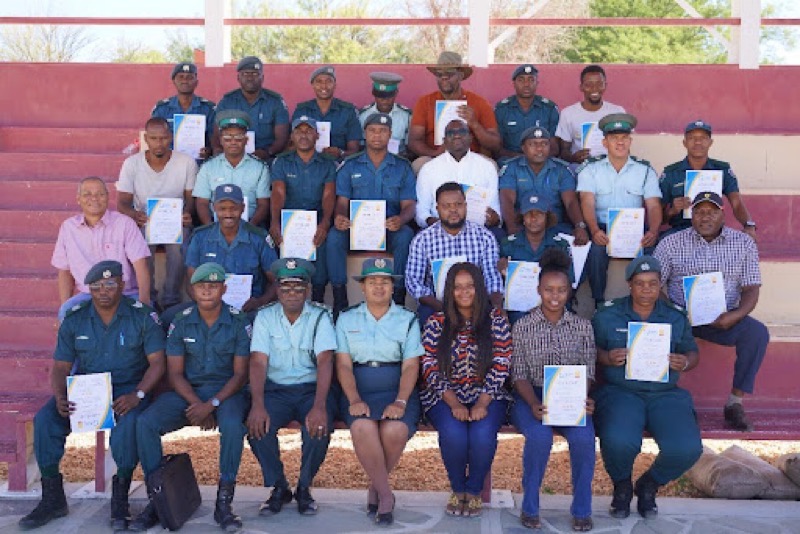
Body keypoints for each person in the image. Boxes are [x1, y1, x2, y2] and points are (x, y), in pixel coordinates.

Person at [18, 261, 165, 531]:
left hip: (127, 389)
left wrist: (138, 394)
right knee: (46, 420)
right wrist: (61, 395)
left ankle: (119, 498)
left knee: (128, 426)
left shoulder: (141, 316)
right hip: (88, 390)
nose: (103, 291)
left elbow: (157, 362)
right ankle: (52, 498)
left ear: (122, 284)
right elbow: (61, 366)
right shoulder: (75, 317)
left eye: (110, 284)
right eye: (96, 286)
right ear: (89, 290)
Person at [133, 263, 250, 532]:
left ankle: (224, 502)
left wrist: (212, 404)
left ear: (224, 289)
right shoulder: (181, 320)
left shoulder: (238, 321)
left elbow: (240, 375)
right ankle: (157, 497)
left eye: (213, 285)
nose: (207, 290)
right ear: (192, 290)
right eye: (201, 286)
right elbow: (174, 373)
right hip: (188, 392)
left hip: (226, 393)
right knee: (146, 422)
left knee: (233, 426)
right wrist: (198, 404)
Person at [592, 256, 703, 519]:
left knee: (686, 448)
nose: (646, 289)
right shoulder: (608, 314)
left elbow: (692, 352)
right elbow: (588, 348)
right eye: (640, 283)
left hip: (664, 394)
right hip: (621, 392)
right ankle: (622, 487)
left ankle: (648, 485)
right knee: (619, 441)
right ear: (630, 284)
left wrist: (685, 362)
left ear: (659, 285)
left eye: (652, 284)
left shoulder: (675, 317)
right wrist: (607, 357)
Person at [654, 191, 767, 431]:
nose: (705, 217)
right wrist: (674, 312)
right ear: (691, 215)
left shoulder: (743, 243)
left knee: (756, 333)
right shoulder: (671, 242)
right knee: (654, 331)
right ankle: (663, 405)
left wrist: (734, 316)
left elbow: (751, 289)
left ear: (722, 215)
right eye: (699, 211)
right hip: (680, 317)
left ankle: (734, 403)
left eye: (712, 211)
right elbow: (653, 284)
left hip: (724, 319)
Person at [509, 248, 596, 531]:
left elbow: (589, 370)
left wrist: (583, 398)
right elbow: (518, 373)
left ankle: (582, 509)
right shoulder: (522, 326)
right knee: (539, 438)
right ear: (539, 290)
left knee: (584, 440)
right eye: (548, 290)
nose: (555, 296)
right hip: (532, 396)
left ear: (570, 291)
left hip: (571, 397)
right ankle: (530, 506)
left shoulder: (582, 327)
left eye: (561, 290)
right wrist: (534, 403)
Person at [420, 262, 512, 518]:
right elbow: (429, 365)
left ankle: (473, 491)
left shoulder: (495, 320)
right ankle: (458, 489)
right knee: (453, 433)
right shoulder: (436, 322)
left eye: (469, 286)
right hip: (444, 395)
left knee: (483, 434)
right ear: (449, 290)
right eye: (457, 287)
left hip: (488, 394)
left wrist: (482, 403)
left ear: (479, 288)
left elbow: (503, 361)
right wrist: (454, 403)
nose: (464, 292)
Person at [335, 258, 422, 526]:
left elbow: (410, 367)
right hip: (359, 387)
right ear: (362, 287)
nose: (379, 287)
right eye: (372, 281)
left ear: (392, 287)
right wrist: (354, 399)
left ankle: (376, 487)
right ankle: (385, 495)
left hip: (396, 387)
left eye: (385, 281)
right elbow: (344, 365)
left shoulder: (407, 320)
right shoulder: (346, 318)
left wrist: (400, 400)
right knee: (362, 427)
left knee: (394, 429)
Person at [247, 258, 337, 516]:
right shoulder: (265, 317)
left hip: (312, 390)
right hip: (276, 390)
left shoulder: (321, 315)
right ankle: (279, 487)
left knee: (318, 429)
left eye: (298, 288)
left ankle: (304, 488)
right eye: (286, 288)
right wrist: (258, 405)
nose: (292, 294)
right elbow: (258, 362)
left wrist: (320, 406)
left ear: (308, 290)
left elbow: (325, 361)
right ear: (277, 290)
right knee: (257, 429)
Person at [327, 113, 417, 315]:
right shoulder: (350, 165)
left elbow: (409, 205)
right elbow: (342, 202)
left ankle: (399, 299)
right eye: (373, 131)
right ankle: (340, 299)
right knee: (334, 237)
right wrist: (340, 217)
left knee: (405, 236)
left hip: (388, 228)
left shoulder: (402, 167)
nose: (377, 135)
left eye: (383, 131)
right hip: (356, 228)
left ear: (390, 135)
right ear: (365, 134)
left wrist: (400, 219)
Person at [576, 113, 662, 305]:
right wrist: (594, 230)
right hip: (601, 227)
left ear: (630, 141)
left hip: (634, 228)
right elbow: (587, 201)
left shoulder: (644, 170)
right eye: (614, 138)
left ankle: (649, 303)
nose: (620, 143)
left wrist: (653, 231)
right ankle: (599, 302)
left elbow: (654, 205)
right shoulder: (591, 169)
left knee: (652, 250)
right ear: (605, 142)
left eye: (624, 138)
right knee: (597, 251)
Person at [117, 117, 197, 310]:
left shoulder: (186, 162)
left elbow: (191, 199)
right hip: (145, 220)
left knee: (179, 244)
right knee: (142, 243)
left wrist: (187, 213)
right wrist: (135, 215)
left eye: (163, 138)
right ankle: (149, 299)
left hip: (174, 221)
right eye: (153, 138)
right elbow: (122, 203)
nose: (158, 143)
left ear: (170, 137)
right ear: (146, 138)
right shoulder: (132, 164)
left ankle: (171, 300)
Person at [52, 176, 151, 321]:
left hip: (124, 294)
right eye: (87, 194)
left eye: (100, 194)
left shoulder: (124, 224)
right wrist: (65, 306)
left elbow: (141, 266)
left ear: (108, 197)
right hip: (87, 296)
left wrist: (144, 304)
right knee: (66, 314)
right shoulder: (68, 228)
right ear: (78, 199)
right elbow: (64, 272)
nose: (94, 198)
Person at [406, 182, 504, 326]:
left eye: (458, 204)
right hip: (437, 304)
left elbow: (492, 277)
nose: (453, 210)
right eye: (446, 206)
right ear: (437, 209)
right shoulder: (423, 239)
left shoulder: (484, 236)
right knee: (426, 315)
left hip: (476, 302)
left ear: (465, 206)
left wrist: (497, 307)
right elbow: (413, 281)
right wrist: (441, 306)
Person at [181, 184, 278, 320]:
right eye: (222, 209)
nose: (228, 214)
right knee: (170, 317)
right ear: (214, 208)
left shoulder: (258, 238)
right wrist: (205, 304)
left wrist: (260, 302)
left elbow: (276, 280)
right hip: (208, 308)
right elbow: (191, 281)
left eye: (234, 208)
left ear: (243, 208)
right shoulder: (200, 237)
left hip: (248, 310)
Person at [269, 116, 336, 304]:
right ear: (292, 136)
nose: (304, 135)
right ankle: (282, 304)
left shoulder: (327, 163)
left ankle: (318, 303)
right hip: (289, 223)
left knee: (321, 261)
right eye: (299, 131)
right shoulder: (281, 162)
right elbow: (278, 193)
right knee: (285, 264)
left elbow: (328, 195)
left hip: (317, 221)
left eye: (308, 131)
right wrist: (275, 222)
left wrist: (325, 222)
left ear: (317, 135)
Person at [659, 120, 757, 241]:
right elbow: (660, 218)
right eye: (692, 138)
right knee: (661, 245)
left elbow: (736, 203)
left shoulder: (722, 170)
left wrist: (749, 226)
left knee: (742, 242)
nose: (698, 142)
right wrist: (672, 210)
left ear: (711, 142)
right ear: (684, 143)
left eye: (703, 138)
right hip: (681, 231)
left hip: (714, 231)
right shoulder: (671, 173)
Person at [408, 51, 501, 174]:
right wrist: (434, 153)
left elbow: (495, 144)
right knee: (418, 166)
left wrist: (475, 124)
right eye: (439, 74)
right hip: (435, 158)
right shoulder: (425, 102)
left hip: (471, 159)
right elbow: (414, 141)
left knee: (491, 167)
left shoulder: (479, 103)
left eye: (449, 74)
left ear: (461, 76)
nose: (444, 78)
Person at [499, 126, 589, 240]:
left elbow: (570, 202)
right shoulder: (511, 168)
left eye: (544, 144)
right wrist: (512, 228)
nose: (539, 149)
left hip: (555, 227)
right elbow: (507, 200)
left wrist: (579, 226)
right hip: (523, 226)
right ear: (523, 147)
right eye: (533, 144)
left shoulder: (561, 169)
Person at [415, 119, 502, 237]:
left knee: (499, 235)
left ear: (471, 138)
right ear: (444, 141)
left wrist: (495, 217)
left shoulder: (486, 167)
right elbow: (421, 210)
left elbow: (495, 206)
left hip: (478, 229)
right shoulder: (429, 169)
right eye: (451, 133)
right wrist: (433, 222)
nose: (456, 135)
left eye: (462, 132)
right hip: (439, 229)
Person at [498, 195, 573, 324]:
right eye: (529, 214)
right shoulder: (508, 245)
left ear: (547, 218)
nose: (534, 218)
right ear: (522, 218)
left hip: (552, 303)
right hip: (518, 306)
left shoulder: (560, 245)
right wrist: (502, 270)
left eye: (539, 214)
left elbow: (569, 281)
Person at [193, 109, 270, 226]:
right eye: (228, 138)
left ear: (246, 140)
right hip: (215, 226)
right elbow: (202, 202)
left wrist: (250, 229)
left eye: (238, 138)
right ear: (221, 141)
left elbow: (263, 204)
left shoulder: (260, 168)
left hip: (250, 225)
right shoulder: (208, 167)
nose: (233, 142)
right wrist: (210, 228)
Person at [213, 56, 289, 161]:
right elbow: (216, 135)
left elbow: (282, 139)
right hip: (232, 160)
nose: (250, 78)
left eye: (255, 74)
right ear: (238, 78)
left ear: (262, 78)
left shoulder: (275, 102)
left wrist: (267, 152)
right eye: (245, 74)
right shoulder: (227, 102)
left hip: (266, 160)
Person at [555, 65, 626, 165]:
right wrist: (573, 157)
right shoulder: (568, 113)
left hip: (611, 167)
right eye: (588, 85)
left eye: (599, 84)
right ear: (581, 87)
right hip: (581, 167)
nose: (594, 89)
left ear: (605, 85)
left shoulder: (617, 112)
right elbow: (564, 151)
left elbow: (625, 146)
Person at [293, 65, 362, 160]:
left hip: (338, 164)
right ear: (312, 85)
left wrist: (340, 153)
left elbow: (354, 150)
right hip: (308, 165)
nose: (324, 86)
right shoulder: (302, 110)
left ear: (335, 84)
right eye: (319, 82)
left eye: (329, 81)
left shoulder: (348, 111)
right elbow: (292, 145)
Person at [151, 62, 215, 158]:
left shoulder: (209, 109)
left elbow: (215, 141)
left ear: (196, 82)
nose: (185, 81)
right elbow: (154, 139)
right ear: (174, 81)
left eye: (189, 77)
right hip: (169, 164)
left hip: (199, 165)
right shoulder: (162, 109)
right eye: (181, 77)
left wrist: (209, 151)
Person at [495, 64, 560, 160]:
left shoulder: (549, 109)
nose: (526, 84)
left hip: (542, 160)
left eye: (531, 80)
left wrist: (536, 159)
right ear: (514, 83)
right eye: (521, 80)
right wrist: (524, 159)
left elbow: (554, 148)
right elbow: (498, 148)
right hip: (511, 160)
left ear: (537, 83)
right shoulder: (502, 109)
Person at [358, 71, 412, 157]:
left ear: (396, 93)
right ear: (374, 94)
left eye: (388, 96)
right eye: (380, 96)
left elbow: (410, 147)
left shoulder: (406, 116)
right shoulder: (362, 115)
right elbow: (359, 146)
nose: (384, 100)